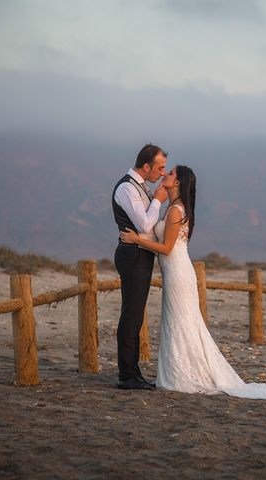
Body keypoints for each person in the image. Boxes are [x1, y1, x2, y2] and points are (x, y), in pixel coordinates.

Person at [120, 165, 266, 403]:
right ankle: (177, 374)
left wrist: (135, 240)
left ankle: (183, 376)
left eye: (170, 173)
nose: (165, 175)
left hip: (178, 274)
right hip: (174, 272)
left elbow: (166, 248)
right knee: (179, 322)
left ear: (179, 183)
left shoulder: (175, 211)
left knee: (182, 322)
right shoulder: (172, 208)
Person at [112, 144, 168, 390]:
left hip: (140, 254)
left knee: (135, 316)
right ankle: (127, 375)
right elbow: (145, 224)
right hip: (132, 255)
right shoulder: (126, 188)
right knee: (131, 316)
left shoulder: (140, 187)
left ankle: (133, 372)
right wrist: (157, 200)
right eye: (161, 167)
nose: (163, 173)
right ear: (146, 166)